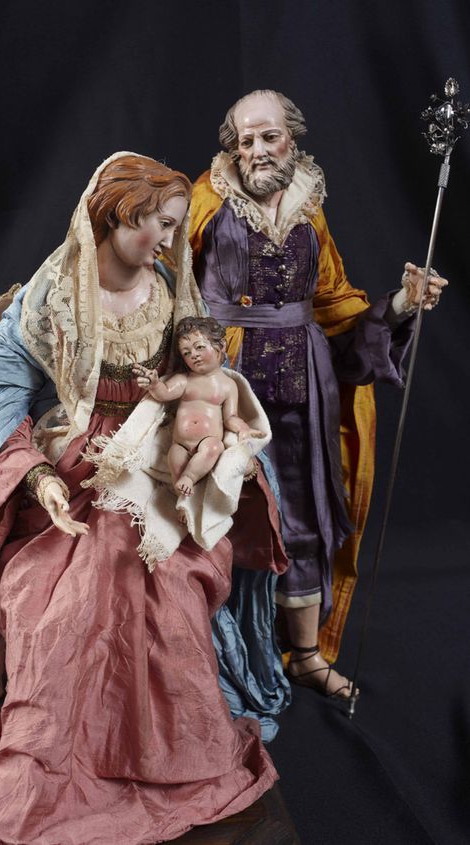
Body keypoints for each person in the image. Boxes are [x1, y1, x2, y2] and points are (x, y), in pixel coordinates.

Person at [0, 154, 290, 845]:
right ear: (115, 217)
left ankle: (172, 760)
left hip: (154, 464)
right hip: (71, 470)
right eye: (158, 225)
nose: (170, 241)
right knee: (60, 601)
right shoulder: (53, 294)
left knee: (167, 589)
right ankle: (51, 769)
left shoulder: (171, 291)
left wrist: (213, 445)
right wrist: (38, 477)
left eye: (175, 226)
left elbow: (208, 381)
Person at [188, 89, 447, 698]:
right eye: (246, 140)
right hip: (225, 386)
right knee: (216, 518)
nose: (258, 150)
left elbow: (333, 301)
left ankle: (303, 655)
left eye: (269, 136)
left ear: (292, 138)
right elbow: (156, 274)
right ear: (233, 147)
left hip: (303, 388)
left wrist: (402, 303)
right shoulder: (204, 202)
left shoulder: (309, 208)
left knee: (302, 516)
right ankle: (210, 661)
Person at [134, 315, 264, 498]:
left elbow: (230, 417)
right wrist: (154, 384)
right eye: (186, 353)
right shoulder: (184, 380)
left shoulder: (227, 385)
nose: (193, 354)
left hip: (208, 442)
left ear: (221, 346)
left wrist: (243, 429)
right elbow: (165, 393)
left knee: (214, 448)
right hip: (180, 444)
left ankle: (189, 477)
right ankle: (182, 496)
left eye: (200, 347)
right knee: (175, 458)